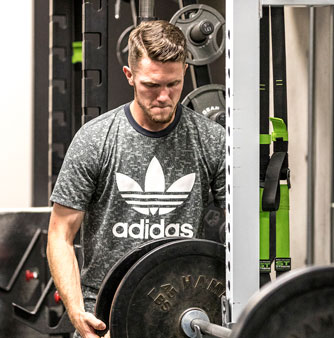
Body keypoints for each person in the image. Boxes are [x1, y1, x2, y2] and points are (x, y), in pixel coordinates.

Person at [46, 20, 226, 338]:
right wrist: (77, 313)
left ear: (185, 70)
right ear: (130, 76)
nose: (164, 96)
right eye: (151, 86)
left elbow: (244, 229)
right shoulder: (95, 139)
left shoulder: (210, 140)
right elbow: (60, 234)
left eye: (173, 84)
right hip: (104, 316)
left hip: (181, 315)